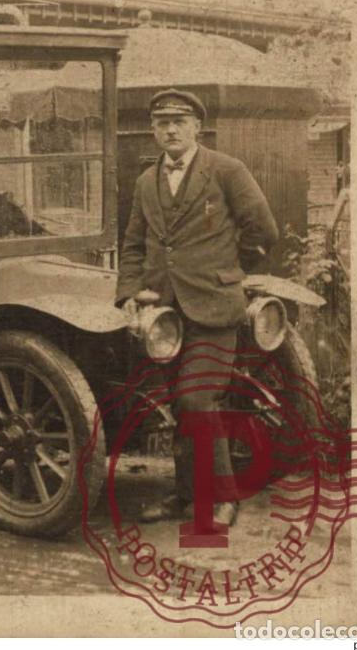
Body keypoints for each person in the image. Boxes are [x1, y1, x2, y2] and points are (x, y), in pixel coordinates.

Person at [116, 89, 278, 528]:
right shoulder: (146, 181)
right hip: (165, 317)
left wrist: (230, 271)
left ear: (196, 128)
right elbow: (133, 243)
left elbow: (262, 228)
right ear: (152, 130)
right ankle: (184, 494)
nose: (170, 129)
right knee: (178, 402)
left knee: (197, 398)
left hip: (214, 308)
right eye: (162, 122)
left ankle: (224, 498)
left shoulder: (226, 170)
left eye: (180, 122)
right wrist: (132, 289)